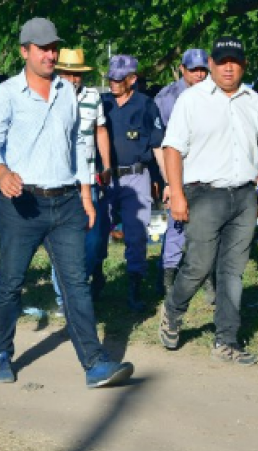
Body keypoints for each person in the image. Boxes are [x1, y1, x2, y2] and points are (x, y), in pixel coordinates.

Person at [0, 17, 134, 388]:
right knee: (10, 282)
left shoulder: (67, 91)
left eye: (53, 48)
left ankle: (94, 362)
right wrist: (1, 172)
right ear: (24, 51)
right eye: (43, 48)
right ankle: (0, 352)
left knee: (75, 282)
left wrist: (85, 193)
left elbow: (79, 144)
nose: (50, 54)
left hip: (66, 202)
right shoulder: (7, 94)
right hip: (22, 204)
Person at [159, 36, 258, 365]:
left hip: (243, 195)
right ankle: (173, 309)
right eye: (222, 60)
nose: (228, 67)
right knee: (198, 266)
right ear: (210, 63)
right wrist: (177, 194)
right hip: (204, 194)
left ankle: (226, 340)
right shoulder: (192, 100)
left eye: (235, 61)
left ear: (244, 65)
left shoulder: (253, 101)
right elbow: (172, 149)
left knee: (232, 272)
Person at [97, 54, 164, 311]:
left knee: (136, 234)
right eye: (110, 77)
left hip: (136, 176)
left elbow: (158, 146)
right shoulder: (102, 104)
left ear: (132, 79)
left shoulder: (146, 106)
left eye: (118, 78)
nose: (113, 82)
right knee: (98, 230)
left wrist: (164, 181)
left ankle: (134, 286)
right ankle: (97, 276)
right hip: (106, 178)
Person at [50, 47, 112, 316]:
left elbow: (100, 130)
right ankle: (64, 297)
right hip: (58, 182)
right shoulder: (48, 97)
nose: (73, 79)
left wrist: (106, 164)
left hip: (89, 177)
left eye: (77, 74)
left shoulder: (93, 97)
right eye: (68, 73)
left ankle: (78, 284)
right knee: (62, 239)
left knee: (94, 238)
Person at [154, 48, 210, 295]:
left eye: (203, 70)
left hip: (207, 168)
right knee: (177, 223)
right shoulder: (167, 98)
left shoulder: (213, 93)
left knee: (208, 224)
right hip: (179, 167)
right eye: (194, 69)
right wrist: (168, 180)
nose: (199, 74)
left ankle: (209, 277)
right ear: (182, 69)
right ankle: (169, 276)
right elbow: (162, 143)